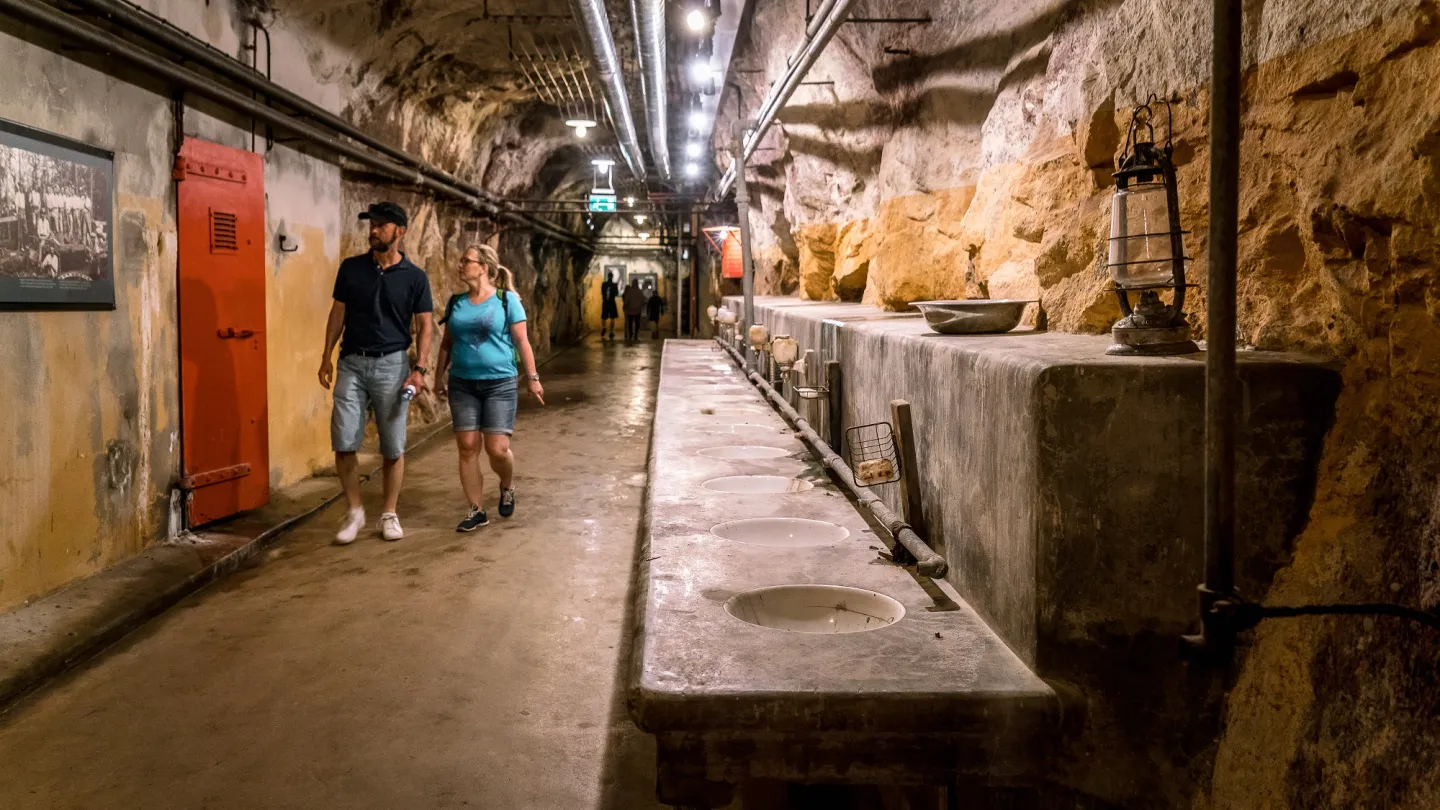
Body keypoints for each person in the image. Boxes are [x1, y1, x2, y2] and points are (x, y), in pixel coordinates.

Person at [319, 202, 434, 545]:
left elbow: (425, 325)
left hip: (392, 364)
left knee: (393, 446)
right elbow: (337, 314)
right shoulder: (351, 269)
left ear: (400, 232)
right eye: (372, 224)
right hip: (352, 362)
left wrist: (420, 368)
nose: (373, 230)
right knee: (343, 441)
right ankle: (354, 510)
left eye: (382, 225)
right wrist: (326, 356)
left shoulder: (415, 277)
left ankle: (389, 513)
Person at [435, 244, 545, 532]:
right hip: (463, 383)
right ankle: (476, 510)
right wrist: (437, 377)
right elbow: (447, 344)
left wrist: (532, 378)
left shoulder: (506, 300)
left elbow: (522, 341)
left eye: (466, 260)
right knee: (467, 446)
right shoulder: (456, 302)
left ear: (483, 267)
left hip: (500, 383)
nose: (460, 265)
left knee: (497, 449)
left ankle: (507, 485)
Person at [622, 278, 645, 344]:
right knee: (637, 323)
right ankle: (635, 335)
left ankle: (631, 335)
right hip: (637, 310)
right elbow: (643, 301)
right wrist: (640, 306)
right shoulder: (640, 291)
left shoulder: (629, 291)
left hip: (630, 310)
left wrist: (625, 306)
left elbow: (626, 301)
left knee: (630, 323)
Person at [600, 271, 620, 340]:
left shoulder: (604, 284)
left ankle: (604, 327)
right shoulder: (614, 285)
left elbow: (602, 292)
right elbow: (616, 294)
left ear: (608, 276)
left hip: (605, 302)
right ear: (612, 277)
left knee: (604, 317)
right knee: (612, 317)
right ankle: (611, 331)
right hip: (612, 302)